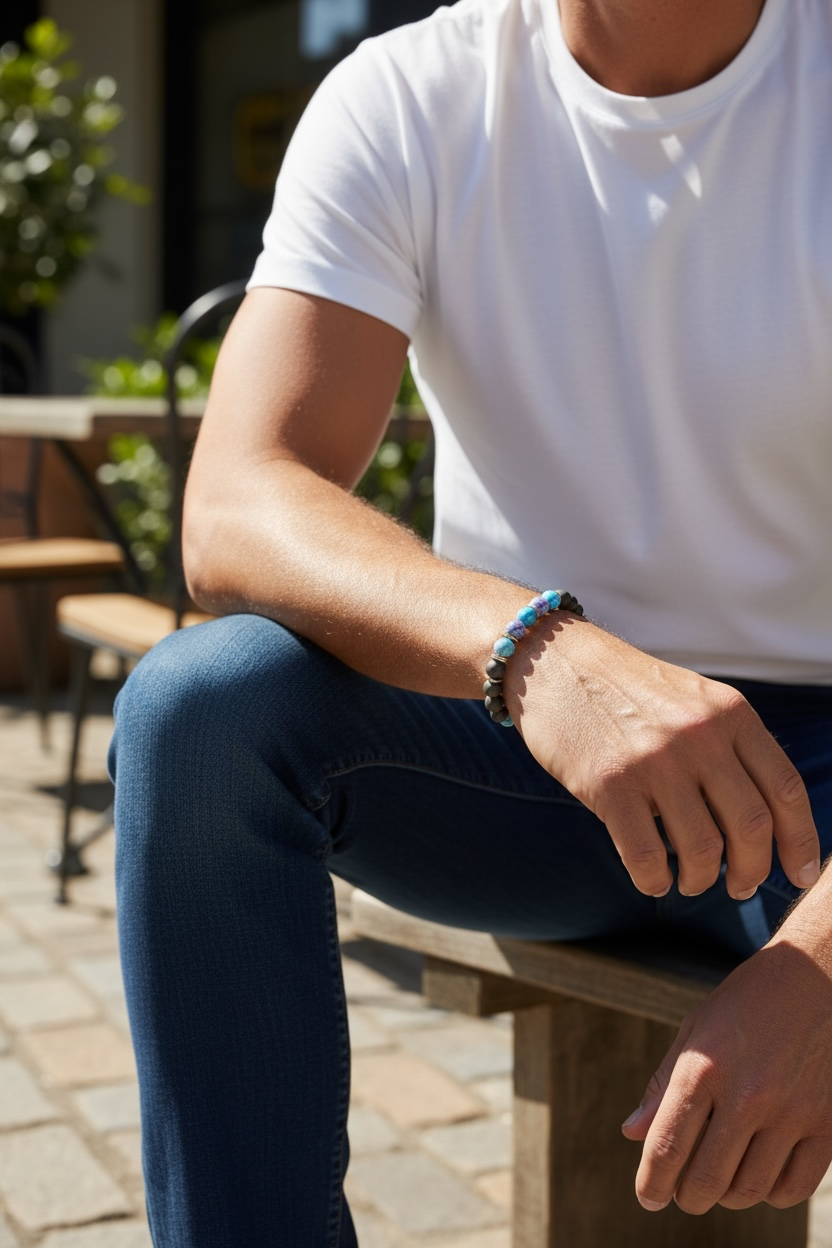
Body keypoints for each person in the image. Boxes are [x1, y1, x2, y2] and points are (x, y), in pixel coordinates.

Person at [110, 0, 832, 1243]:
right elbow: (237, 499)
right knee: (197, 716)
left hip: (818, 776)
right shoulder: (410, 93)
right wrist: (540, 656)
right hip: (541, 764)